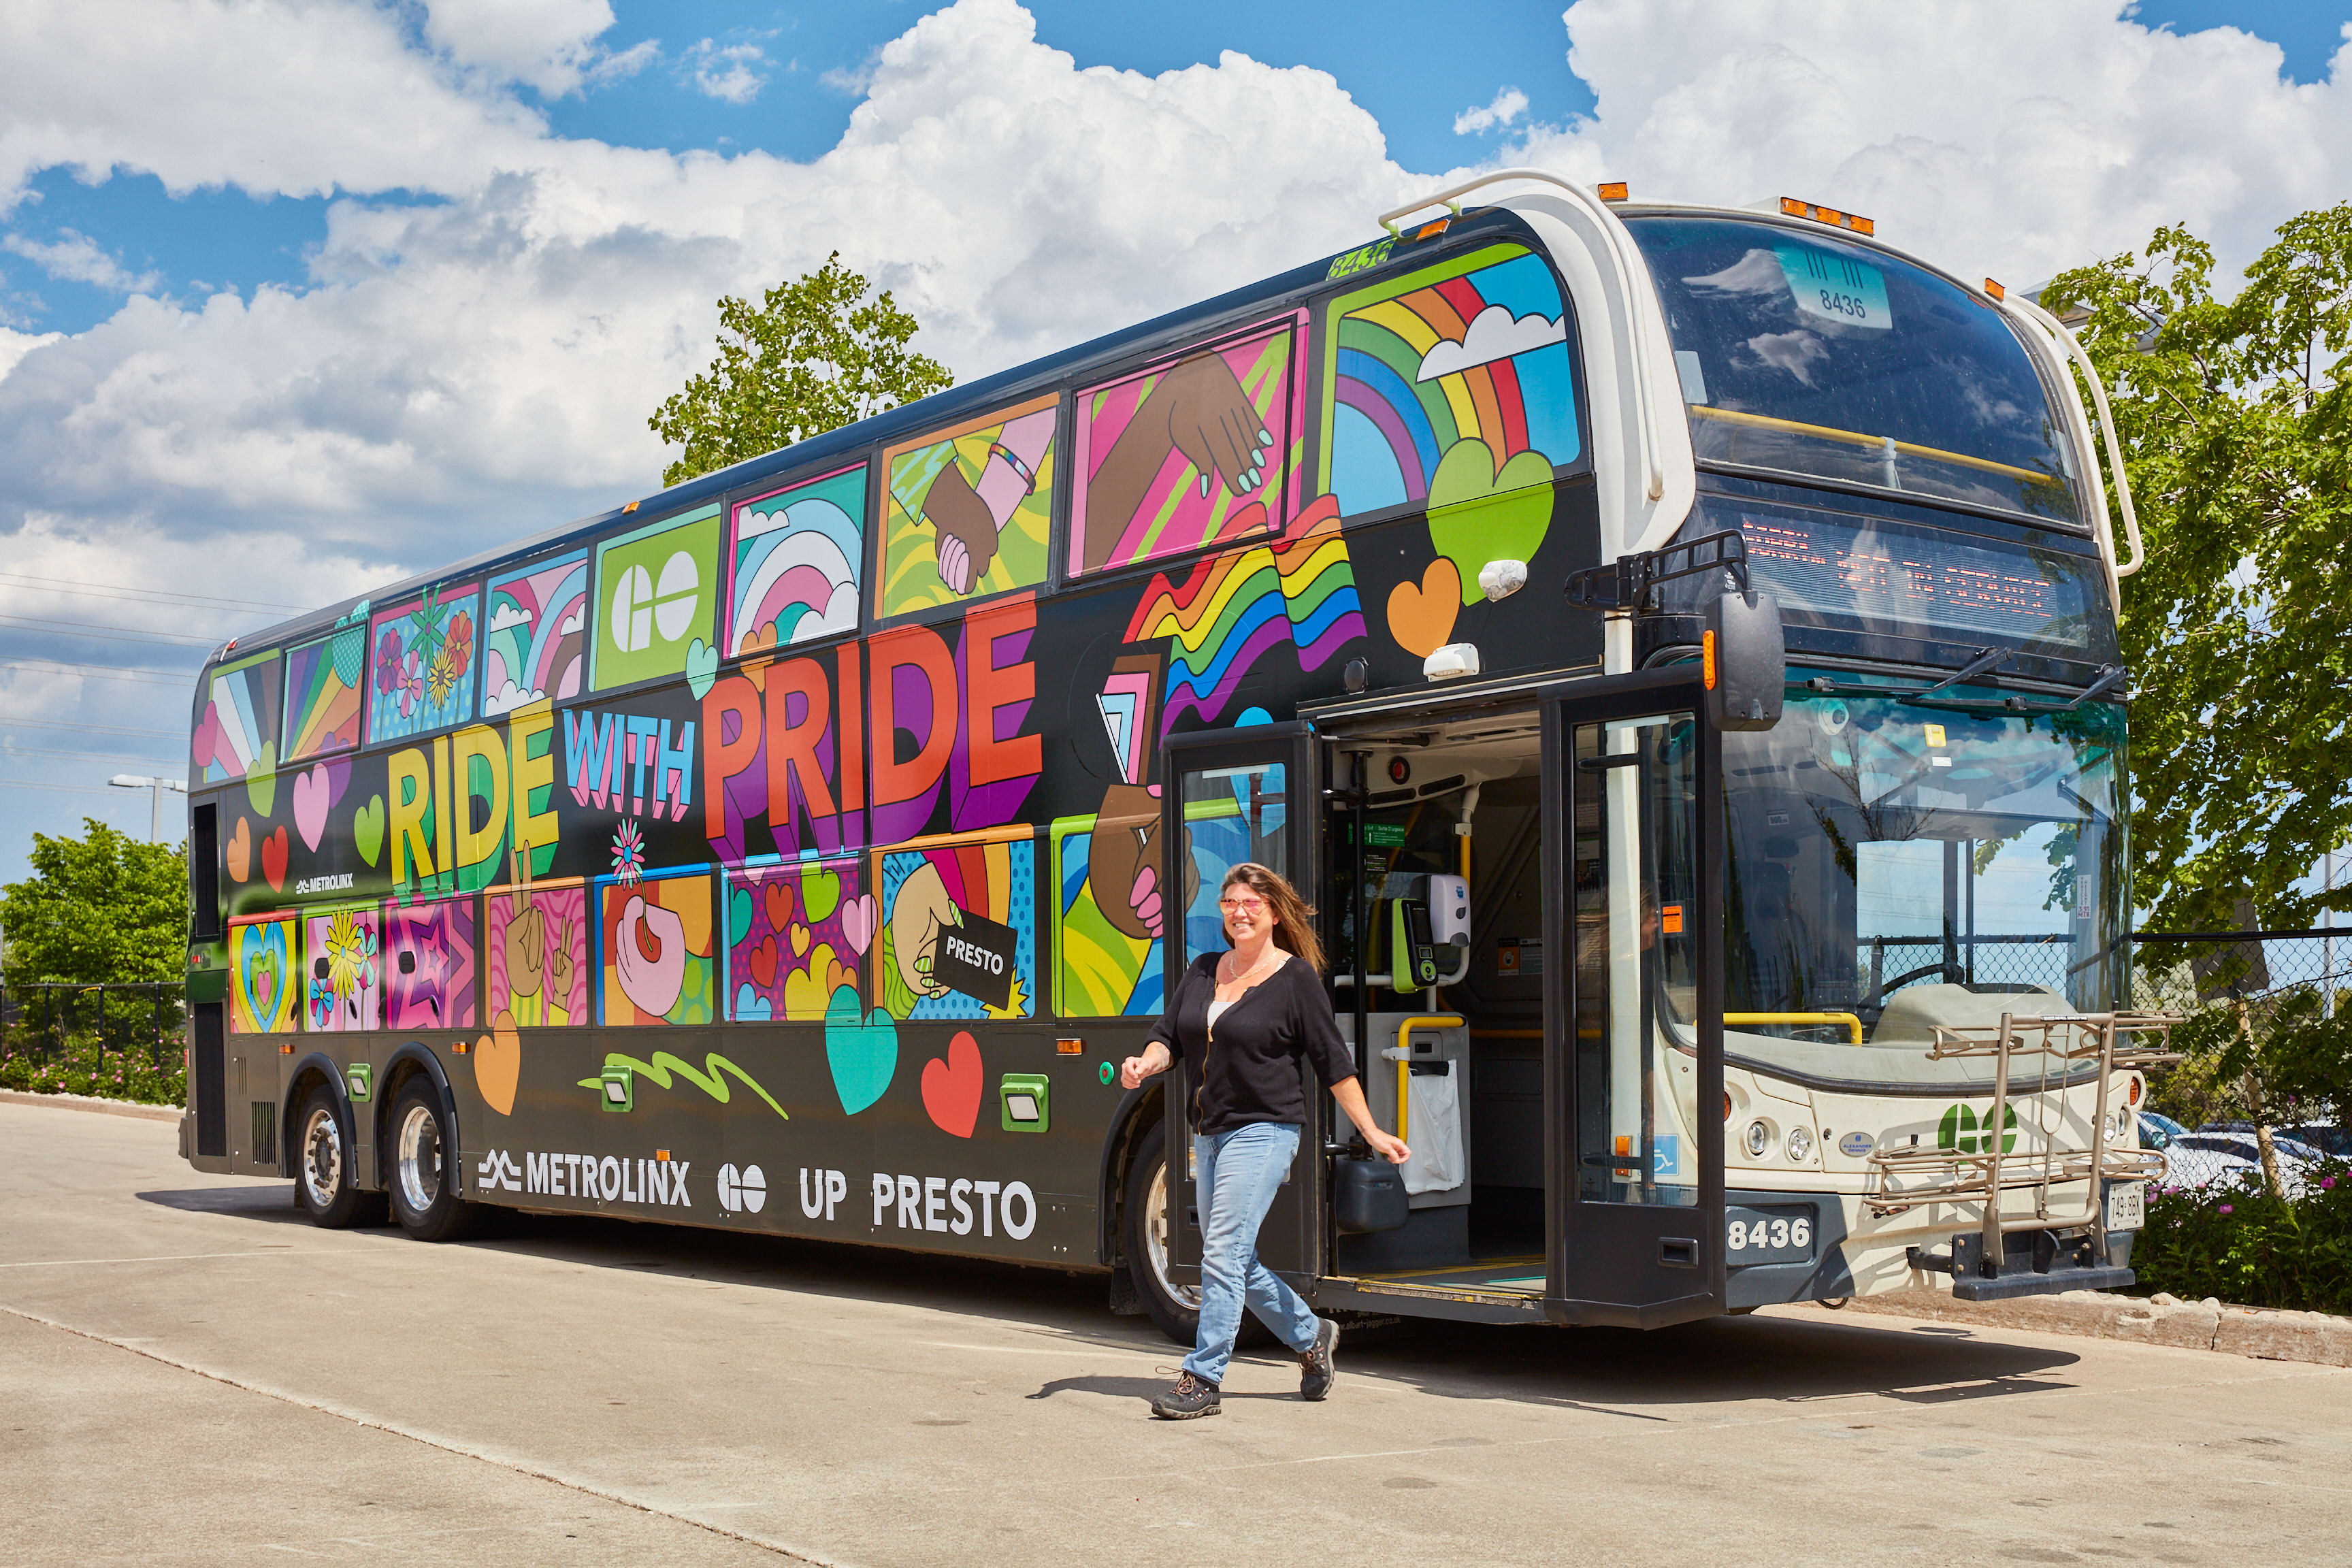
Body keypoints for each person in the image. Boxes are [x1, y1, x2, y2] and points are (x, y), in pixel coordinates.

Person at [1120, 861, 1409, 1420]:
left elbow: (1333, 1063)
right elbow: (1167, 1040)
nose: (1240, 912)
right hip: (1210, 1134)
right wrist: (1144, 1064)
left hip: (1266, 1131)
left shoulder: (1295, 979)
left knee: (1223, 1251)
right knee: (1234, 1260)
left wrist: (1371, 1130)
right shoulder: (1205, 969)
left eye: (1252, 903)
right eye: (1230, 902)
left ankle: (1202, 1377)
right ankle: (1311, 1335)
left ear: (1274, 913)